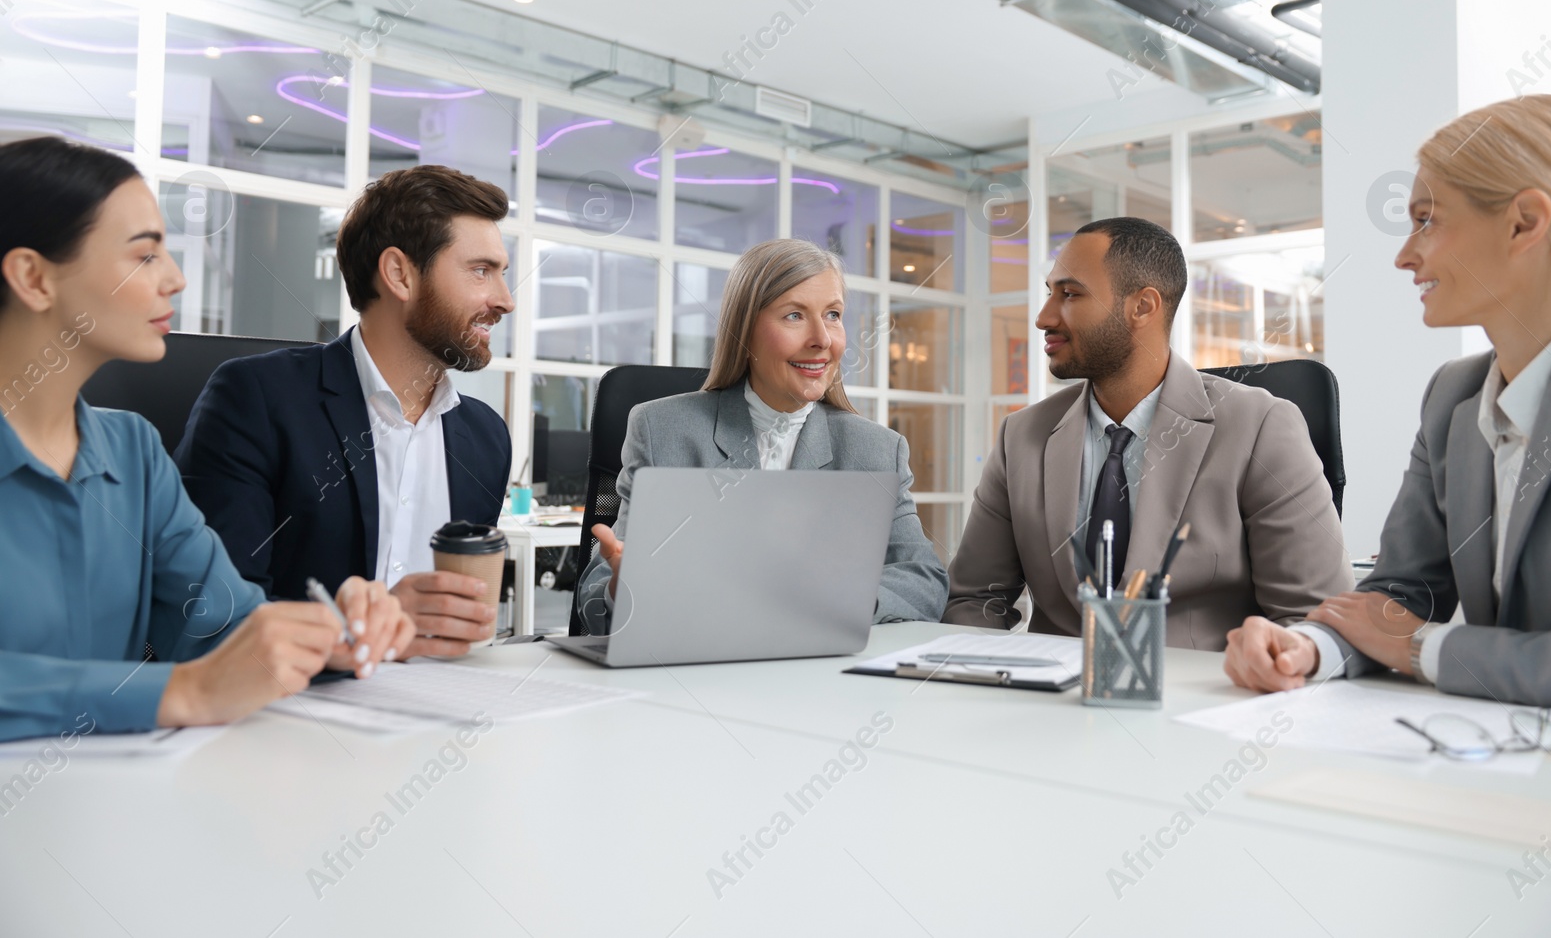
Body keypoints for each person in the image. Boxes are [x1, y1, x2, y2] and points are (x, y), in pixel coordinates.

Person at [0, 137, 414, 742]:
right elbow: (199, 679)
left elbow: (221, 624)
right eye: (144, 256)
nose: (175, 279)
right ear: (34, 277)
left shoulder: (132, 451)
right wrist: (184, 692)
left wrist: (328, 633)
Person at [1224, 94, 1551, 714]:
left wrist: (1427, 650)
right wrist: (1307, 648)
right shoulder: (1452, 396)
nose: (1404, 255)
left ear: (1524, 223)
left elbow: (1407, 634)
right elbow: (1398, 597)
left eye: (1428, 219)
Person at [944, 217, 1351, 649]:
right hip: (1052, 704)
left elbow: (1314, 617)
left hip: (1199, 701)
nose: (1044, 317)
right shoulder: (1021, 437)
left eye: (1070, 294)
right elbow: (974, 599)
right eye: (1050, 294)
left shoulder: (1261, 426)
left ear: (1142, 306)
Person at [174, 165, 515, 659]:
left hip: (439, 709)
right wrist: (355, 630)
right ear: (400, 274)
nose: (504, 300)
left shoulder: (486, 438)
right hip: (290, 715)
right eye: (481, 271)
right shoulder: (257, 399)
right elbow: (208, 616)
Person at [574, 238, 948, 634]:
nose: (822, 338)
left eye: (833, 314)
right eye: (794, 316)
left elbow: (925, 581)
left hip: (824, 675)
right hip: (701, 667)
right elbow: (596, 601)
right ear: (744, 330)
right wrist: (623, 586)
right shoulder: (663, 429)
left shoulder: (877, 450)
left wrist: (839, 598)